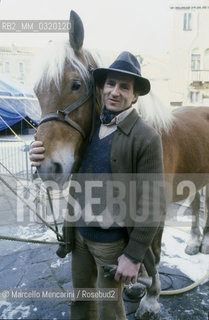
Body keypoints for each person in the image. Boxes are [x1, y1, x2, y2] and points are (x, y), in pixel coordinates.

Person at [29, 51, 165, 320]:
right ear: (101, 88)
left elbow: (154, 202)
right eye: (110, 84)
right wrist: (37, 154)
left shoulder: (146, 137)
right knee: (80, 303)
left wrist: (134, 256)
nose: (115, 92)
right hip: (79, 237)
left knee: (109, 310)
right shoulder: (89, 130)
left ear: (135, 95)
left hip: (111, 244)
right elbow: (61, 157)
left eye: (124, 87)